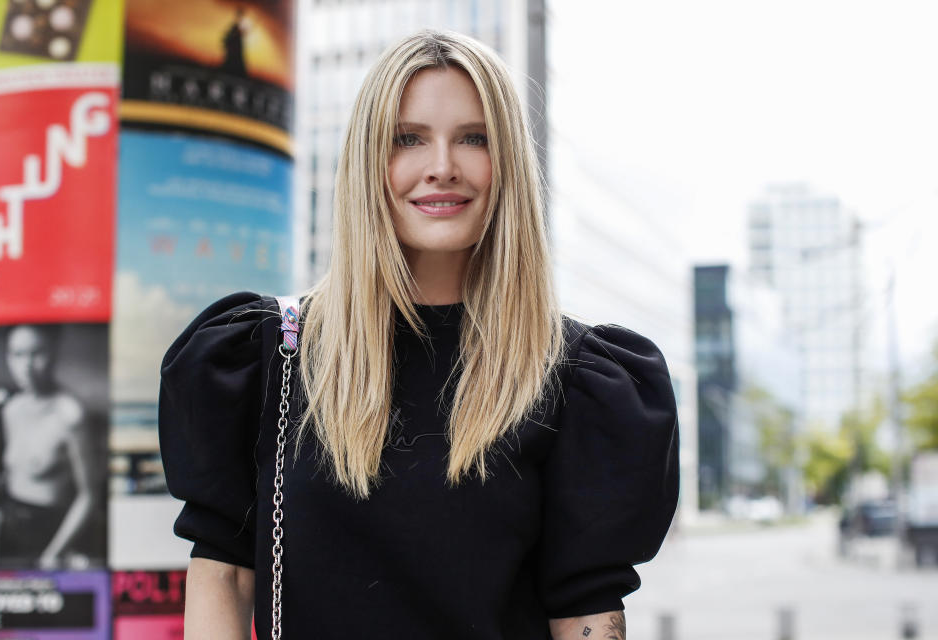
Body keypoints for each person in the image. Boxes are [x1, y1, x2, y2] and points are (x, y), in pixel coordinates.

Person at [159, 30, 679, 640]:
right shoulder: (268, 354)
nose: (441, 167)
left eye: (473, 138)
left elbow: (586, 610)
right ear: (366, 161)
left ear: (507, 162)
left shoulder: (575, 375)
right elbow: (224, 574)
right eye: (408, 139)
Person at [0, 325, 97, 569]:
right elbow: (13, 480)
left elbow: (90, 495)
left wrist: (53, 554)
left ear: (53, 353)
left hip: (51, 536)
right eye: (18, 354)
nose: (27, 365)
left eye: (36, 353)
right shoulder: (11, 410)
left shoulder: (70, 414)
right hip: (8, 534)